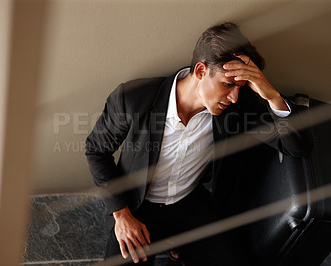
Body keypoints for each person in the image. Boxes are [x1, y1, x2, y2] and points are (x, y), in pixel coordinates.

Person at [85, 22, 307, 265]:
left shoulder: (236, 109)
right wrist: (122, 214)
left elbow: (295, 146)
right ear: (201, 70)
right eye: (227, 84)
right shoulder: (134, 98)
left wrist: (271, 95)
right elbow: (97, 150)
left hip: (190, 206)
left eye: (240, 87)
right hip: (138, 207)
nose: (233, 97)